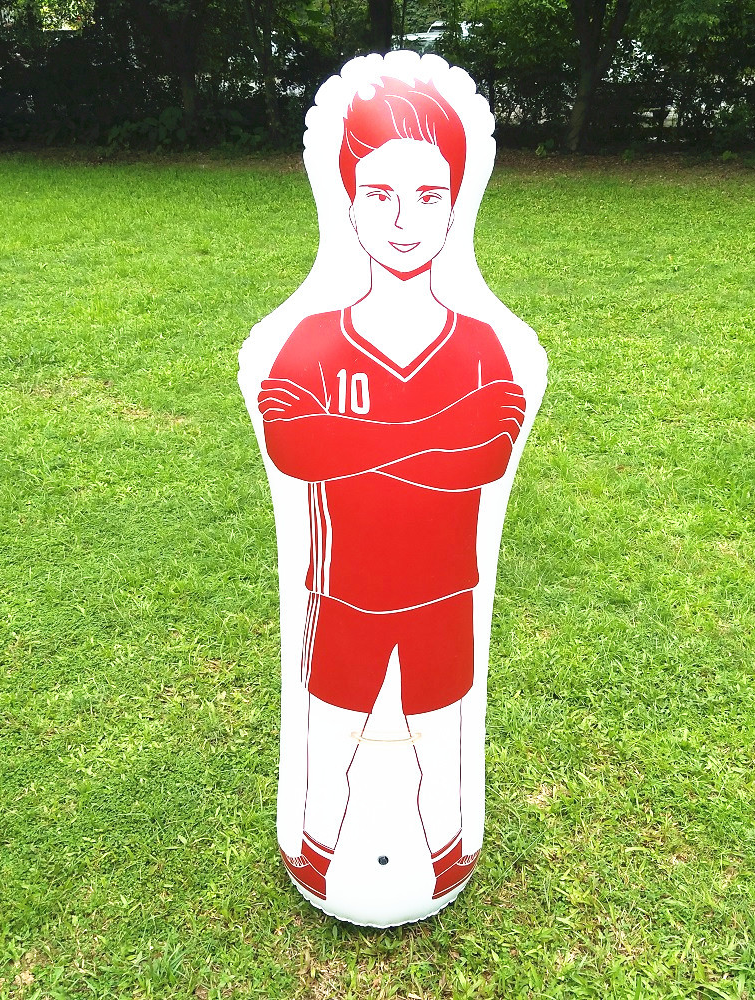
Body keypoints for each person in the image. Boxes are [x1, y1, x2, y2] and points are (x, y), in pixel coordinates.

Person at [256, 75, 526, 902]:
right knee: (330, 732)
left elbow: (487, 456)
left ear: (455, 205)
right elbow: (293, 447)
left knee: (439, 735)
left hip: (444, 591)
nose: (405, 221)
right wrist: (436, 428)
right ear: (346, 202)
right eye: (380, 194)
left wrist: (357, 443)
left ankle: (446, 855)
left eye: (428, 196)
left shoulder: (483, 344)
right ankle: (315, 853)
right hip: (343, 592)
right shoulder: (309, 338)